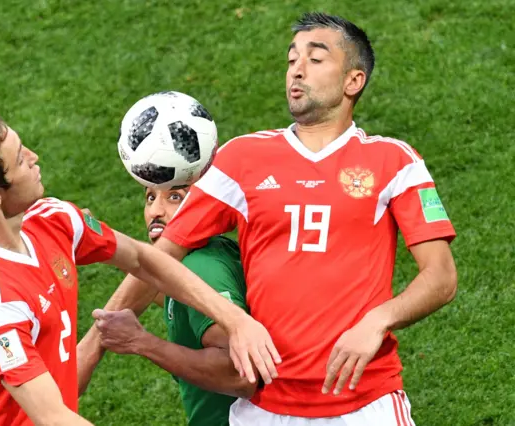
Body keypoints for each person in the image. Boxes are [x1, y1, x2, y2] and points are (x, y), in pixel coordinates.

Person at [80, 11, 458, 425]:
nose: (296, 70)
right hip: (265, 410)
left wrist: (377, 319)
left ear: (354, 81)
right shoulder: (242, 160)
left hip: (369, 404)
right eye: (291, 59)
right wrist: (89, 350)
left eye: (315, 60)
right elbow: (158, 259)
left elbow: (440, 277)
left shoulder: (394, 161)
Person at [0, 107, 280, 426]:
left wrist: (236, 321)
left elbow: (143, 259)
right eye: (19, 160)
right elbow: (51, 416)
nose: (34, 156)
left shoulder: (52, 218)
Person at [91, 186, 257, 426]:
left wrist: (140, 341)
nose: (155, 211)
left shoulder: (203, 268)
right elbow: (170, 294)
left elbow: (238, 373)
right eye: (150, 197)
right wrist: (101, 240)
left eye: (174, 197)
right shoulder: (202, 254)